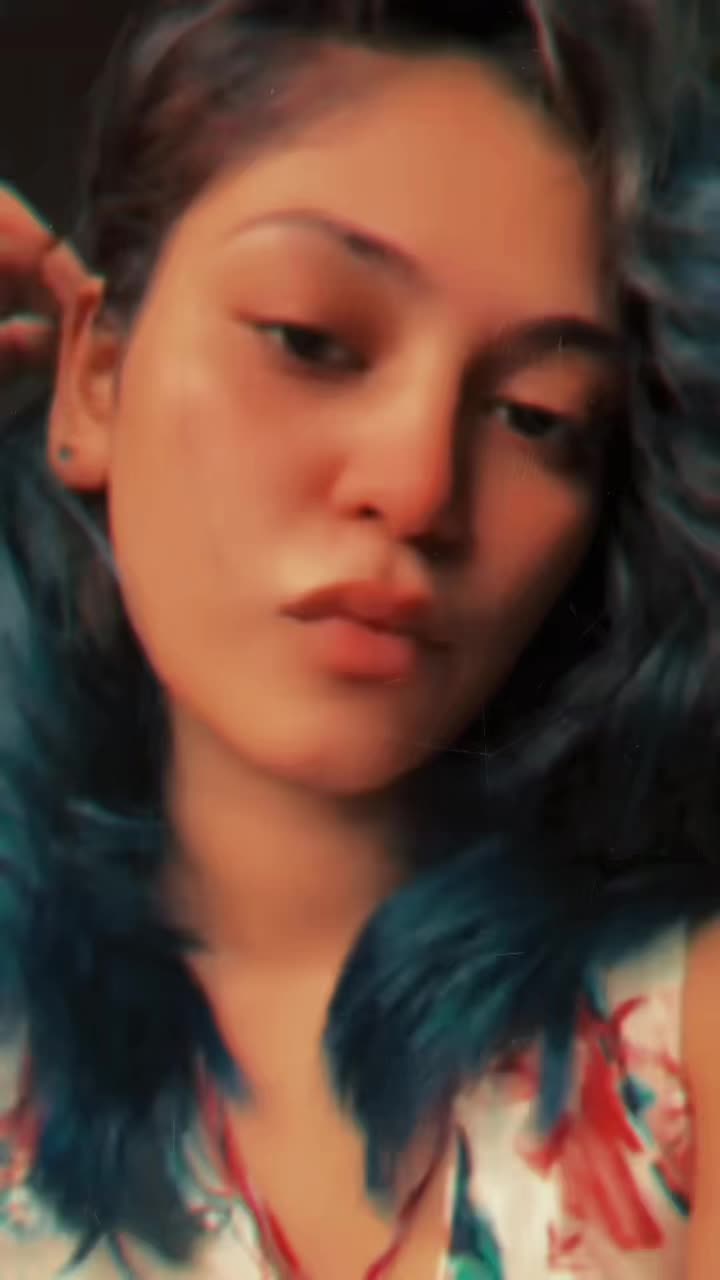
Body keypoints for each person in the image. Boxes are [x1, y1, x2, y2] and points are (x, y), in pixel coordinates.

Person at [1, 0, 719, 1276]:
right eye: (312, 340)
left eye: (538, 414)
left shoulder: (683, 1043)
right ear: (97, 380)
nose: (417, 484)